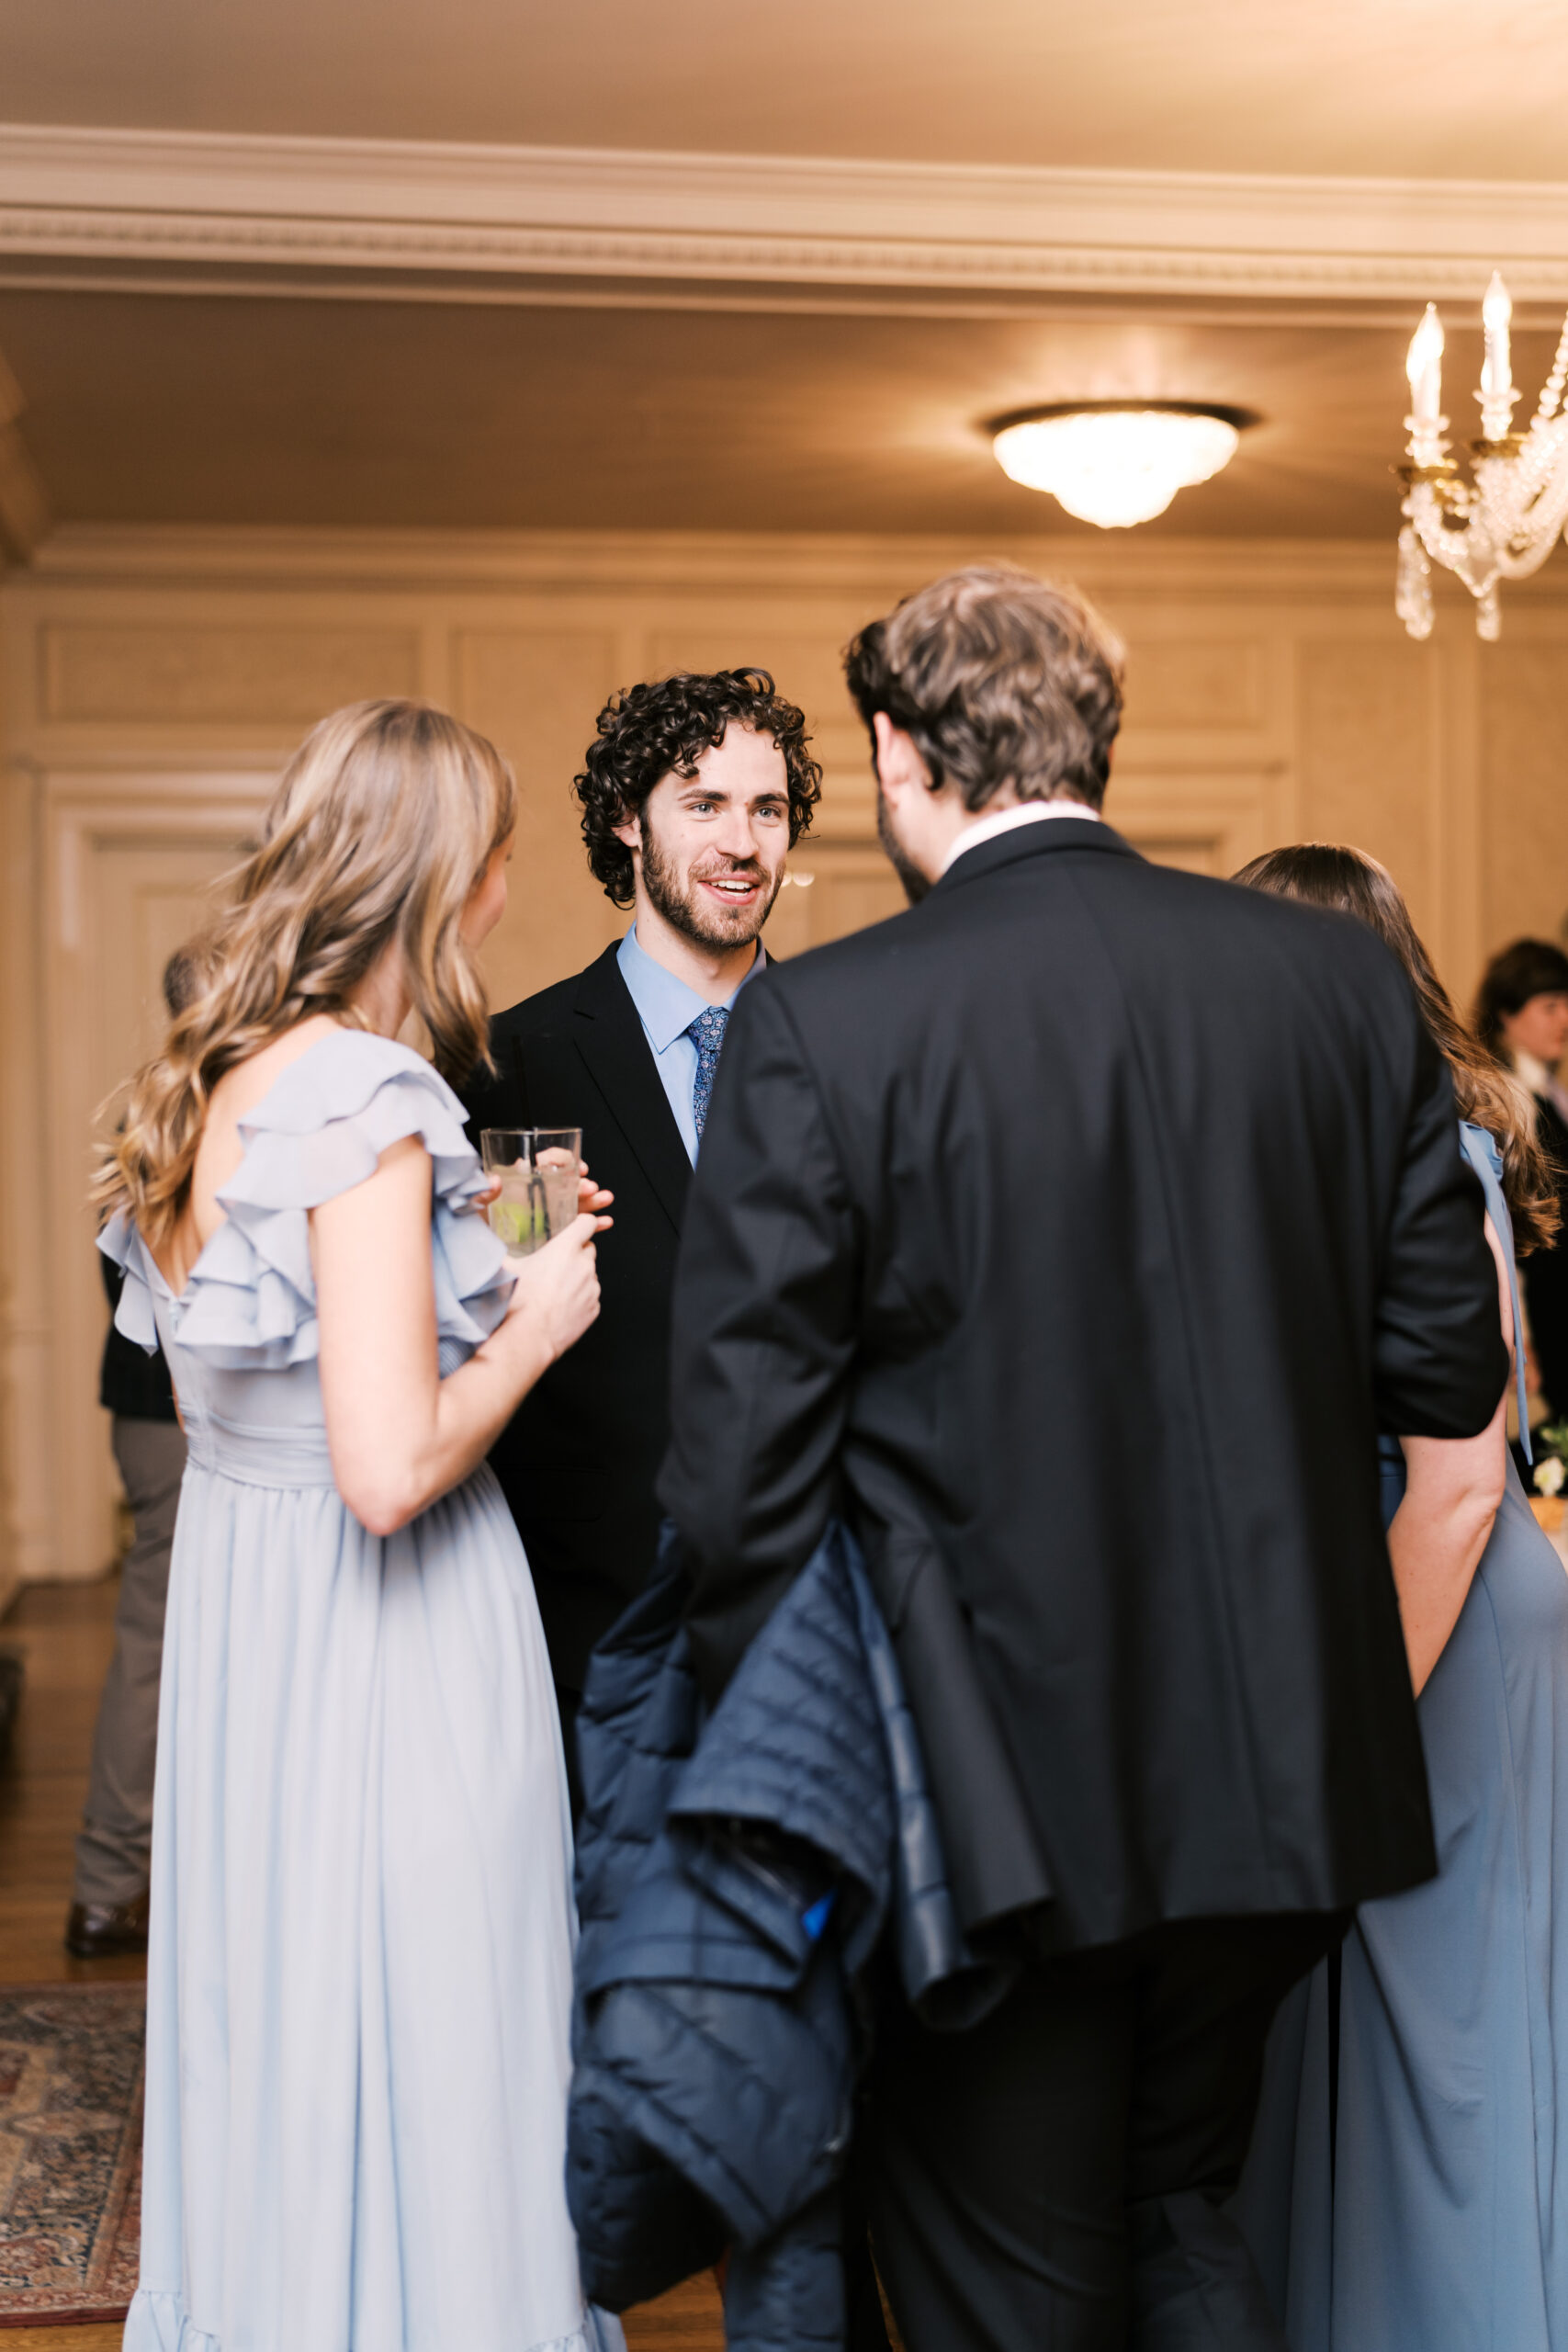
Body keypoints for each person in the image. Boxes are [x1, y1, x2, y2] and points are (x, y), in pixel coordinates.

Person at [656, 565, 1508, 2352]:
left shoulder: (825, 1023)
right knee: (1183, 2214)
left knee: (1005, 2291)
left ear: (894, 751)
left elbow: (738, 1505)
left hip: (983, 1834)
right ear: (1095, 742)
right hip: (1282, 1811)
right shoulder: (1337, 993)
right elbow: (1456, 1449)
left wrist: (815, 1848)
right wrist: (1330, 1715)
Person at [96, 699, 620, 2352]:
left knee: (296, 2023)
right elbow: (387, 1470)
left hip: (262, 1647)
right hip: (391, 1641)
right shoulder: (377, 1093)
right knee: (443, 2026)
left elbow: (217, 1408)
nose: (508, 884)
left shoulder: (221, 1080)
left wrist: (475, 1245)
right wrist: (532, 1321)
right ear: (441, 879)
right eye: (495, 852)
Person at [1231, 845, 1568, 2352]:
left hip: (1445, 1595)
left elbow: (1471, 1463)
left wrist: (1345, 1714)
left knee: (1442, 2022)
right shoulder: (1331, 1139)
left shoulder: (1436, 1150)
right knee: (1348, 2000)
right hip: (1386, 1586)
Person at [464, 668, 820, 1800]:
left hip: (815, 1619)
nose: (743, 842)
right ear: (627, 818)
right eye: (703, 803)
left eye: (767, 809)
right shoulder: (512, 1066)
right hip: (588, 1627)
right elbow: (498, 1334)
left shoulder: (857, 1051)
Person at [67, 947, 201, 1962]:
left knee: (158, 1637)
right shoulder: (204, 1106)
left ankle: (114, 1886)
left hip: (146, 1413)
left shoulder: (145, 1109)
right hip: (177, 1415)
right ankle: (115, 1882)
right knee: (164, 1641)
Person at [1475, 937, 1568, 1421]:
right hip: (1541, 1305)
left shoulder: (1548, 1092)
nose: (1565, 1020)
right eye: (1550, 1006)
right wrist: (1519, 1331)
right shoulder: (1507, 1097)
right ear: (1508, 1014)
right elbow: (1504, 1223)